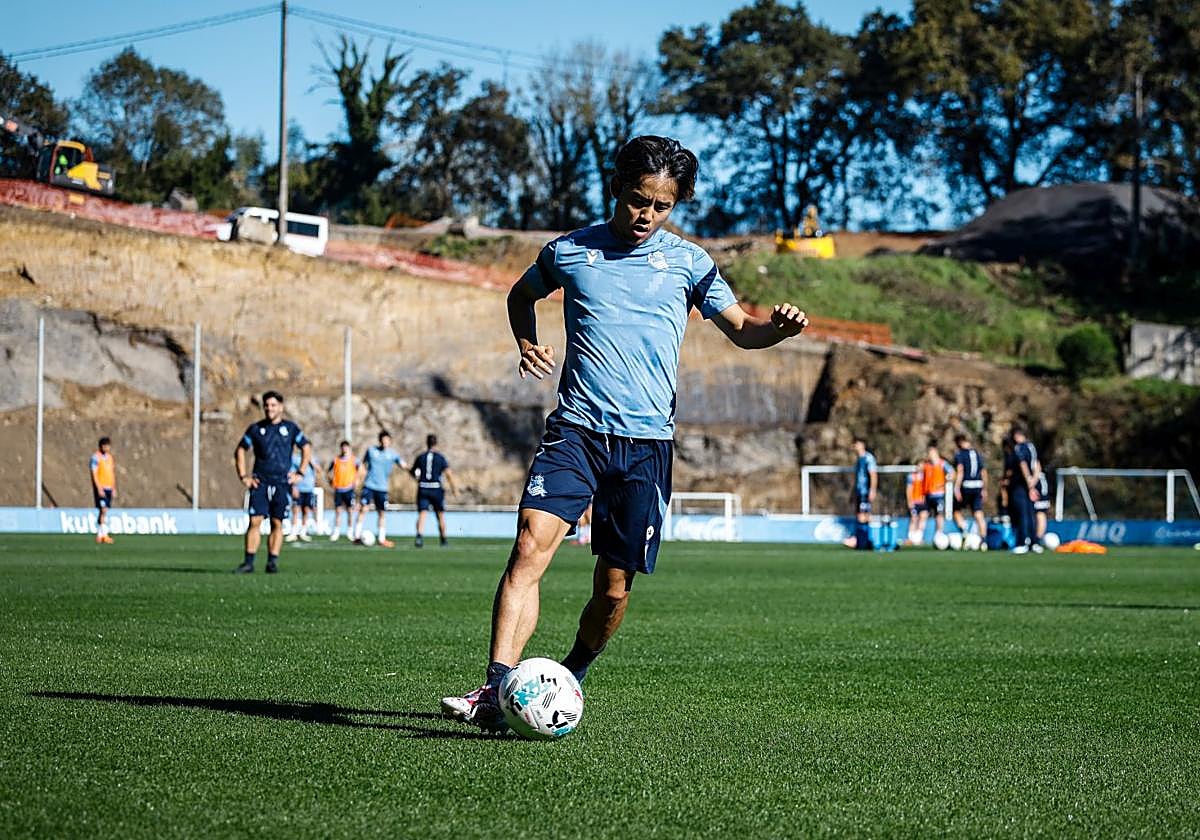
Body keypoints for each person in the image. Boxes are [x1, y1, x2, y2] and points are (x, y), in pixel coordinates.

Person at [440, 135, 808, 732]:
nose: (647, 216)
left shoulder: (690, 264)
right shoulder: (569, 252)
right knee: (529, 547)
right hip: (576, 430)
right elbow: (521, 293)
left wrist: (779, 331)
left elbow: (743, 330)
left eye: (662, 206)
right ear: (616, 188)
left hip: (645, 446)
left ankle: (569, 676)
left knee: (612, 591)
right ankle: (495, 687)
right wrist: (526, 339)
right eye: (639, 200)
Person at [233, 391, 311, 574]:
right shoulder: (256, 429)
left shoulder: (291, 429)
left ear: (281, 407)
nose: (269, 408)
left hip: (282, 484)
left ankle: (272, 562)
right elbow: (240, 450)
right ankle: (249, 562)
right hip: (260, 483)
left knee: (277, 523)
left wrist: (300, 472)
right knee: (255, 521)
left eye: (273, 405)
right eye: (267, 405)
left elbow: (306, 448)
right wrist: (244, 476)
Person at [354, 431, 406, 548]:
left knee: (381, 513)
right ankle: (356, 536)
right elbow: (363, 465)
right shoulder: (371, 451)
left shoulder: (392, 454)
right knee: (364, 509)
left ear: (390, 441)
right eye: (383, 440)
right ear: (380, 440)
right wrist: (358, 478)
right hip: (369, 485)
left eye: (387, 440)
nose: (385, 442)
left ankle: (382, 539)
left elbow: (403, 464)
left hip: (382, 488)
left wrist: (413, 470)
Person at [411, 434, 457, 548]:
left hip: (423, 487)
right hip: (436, 488)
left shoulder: (420, 457)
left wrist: (417, 478)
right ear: (436, 444)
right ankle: (443, 539)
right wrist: (454, 488)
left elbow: (413, 472)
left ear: (426, 443)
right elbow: (448, 473)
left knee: (422, 513)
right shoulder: (440, 458)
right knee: (440, 515)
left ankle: (419, 537)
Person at [952, 433, 989, 540]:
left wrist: (957, 488)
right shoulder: (977, 454)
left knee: (956, 509)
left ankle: (964, 529)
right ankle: (984, 540)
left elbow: (960, 471)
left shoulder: (960, 454)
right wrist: (984, 489)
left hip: (966, 486)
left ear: (959, 443)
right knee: (978, 512)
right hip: (978, 486)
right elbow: (983, 472)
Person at [1008, 426, 1039, 554]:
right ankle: (1034, 543)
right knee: (1031, 513)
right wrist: (1034, 481)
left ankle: (1022, 542)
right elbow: (1037, 465)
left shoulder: (1018, 448)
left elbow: (1023, 464)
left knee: (1022, 514)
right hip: (1032, 483)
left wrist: (1029, 483)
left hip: (1021, 485)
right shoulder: (1032, 447)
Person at [843, 437, 877, 550]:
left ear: (862, 445)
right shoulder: (859, 460)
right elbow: (857, 479)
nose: (854, 446)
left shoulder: (868, 458)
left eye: (856, 444)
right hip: (859, 492)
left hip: (865, 492)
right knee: (860, 515)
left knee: (864, 516)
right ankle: (862, 541)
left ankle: (864, 540)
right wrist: (852, 493)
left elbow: (873, 475)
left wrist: (872, 490)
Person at [327, 440, 361, 542]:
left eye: (346, 447)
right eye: (343, 447)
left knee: (350, 511)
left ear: (349, 448)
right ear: (341, 448)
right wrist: (330, 481)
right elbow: (328, 472)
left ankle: (350, 532)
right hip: (338, 488)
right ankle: (336, 532)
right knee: (338, 511)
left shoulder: (354, 460)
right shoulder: (336, 460)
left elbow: (361, 470)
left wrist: (357, 480)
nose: (344, 449)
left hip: (349, 489)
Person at [921, 442, 953, 541]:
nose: (930, 455)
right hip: (927, 494)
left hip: (939, 495)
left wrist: (947, 480)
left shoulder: (943, 464)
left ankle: (939, 534)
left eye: (932, 453)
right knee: (923, 514)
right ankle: (919, 535)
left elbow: (952, 473)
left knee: (939, 514)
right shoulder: (926, 465)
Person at [286, 449, 319, 542]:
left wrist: (311, 462)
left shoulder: (313, 459)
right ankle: (293, 532)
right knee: (296, 510)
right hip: (299, 488)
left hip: (309, 489)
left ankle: (303, 532)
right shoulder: (296, 459)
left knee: (306, 510)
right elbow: (291, 473)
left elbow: (319, 471)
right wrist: (293, 486)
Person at [89, 436, 116, 544]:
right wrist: (98, 487)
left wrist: (114, 487)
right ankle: (104, 535)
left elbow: (112, 473)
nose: (107, 448)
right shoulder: (96, 458)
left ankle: (100, 536)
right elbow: (94, 473)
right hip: (101, 487)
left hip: (109, 487)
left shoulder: (110, 458)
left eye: (108, 446)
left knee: (104, 511)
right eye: (105, 446)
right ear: (101, 446)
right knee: (103, 510)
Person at [905, 464, 927, 545]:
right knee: (913, 519)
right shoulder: (911, 476)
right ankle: (910, 538)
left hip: (923, 502)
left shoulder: (926, 476)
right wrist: (909, 501)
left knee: (923, 518)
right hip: (914, 501)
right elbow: (909, 489)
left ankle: (918, 538)